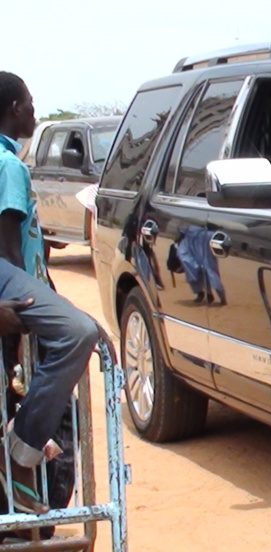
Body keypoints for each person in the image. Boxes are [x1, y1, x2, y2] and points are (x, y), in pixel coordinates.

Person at [0, 71, 98, 511]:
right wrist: (26, 319)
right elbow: (10, 255)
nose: (35, 113)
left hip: (23, 290)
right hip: (14, 294)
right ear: (15, 109)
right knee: (76, 335)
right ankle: (21, 456)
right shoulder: (8, 168)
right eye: (31, 103)